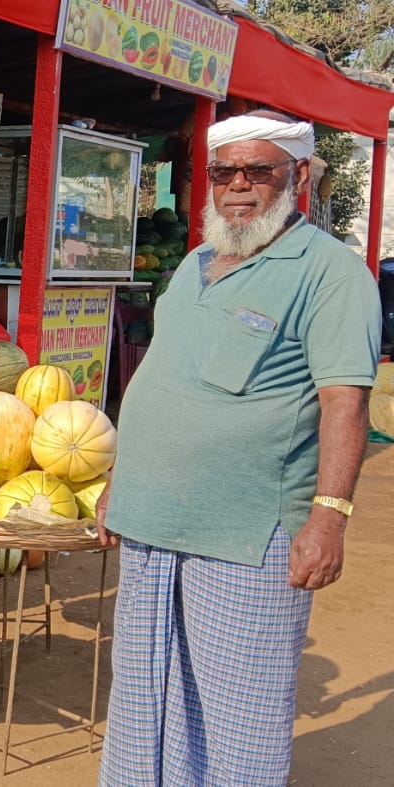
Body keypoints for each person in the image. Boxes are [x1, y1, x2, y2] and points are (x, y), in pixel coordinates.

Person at [97, 111, 380, 786]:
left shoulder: (331, 273)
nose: (239, 187)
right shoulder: (196, 263)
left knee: (238, 721)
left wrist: (330, 515)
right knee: (143, 704)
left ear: (300, 176)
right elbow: (162, 380)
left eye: (260, 170)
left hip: (247, 538)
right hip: (151, 525)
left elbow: (347, 403)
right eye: (225, 171)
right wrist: (121, 481)